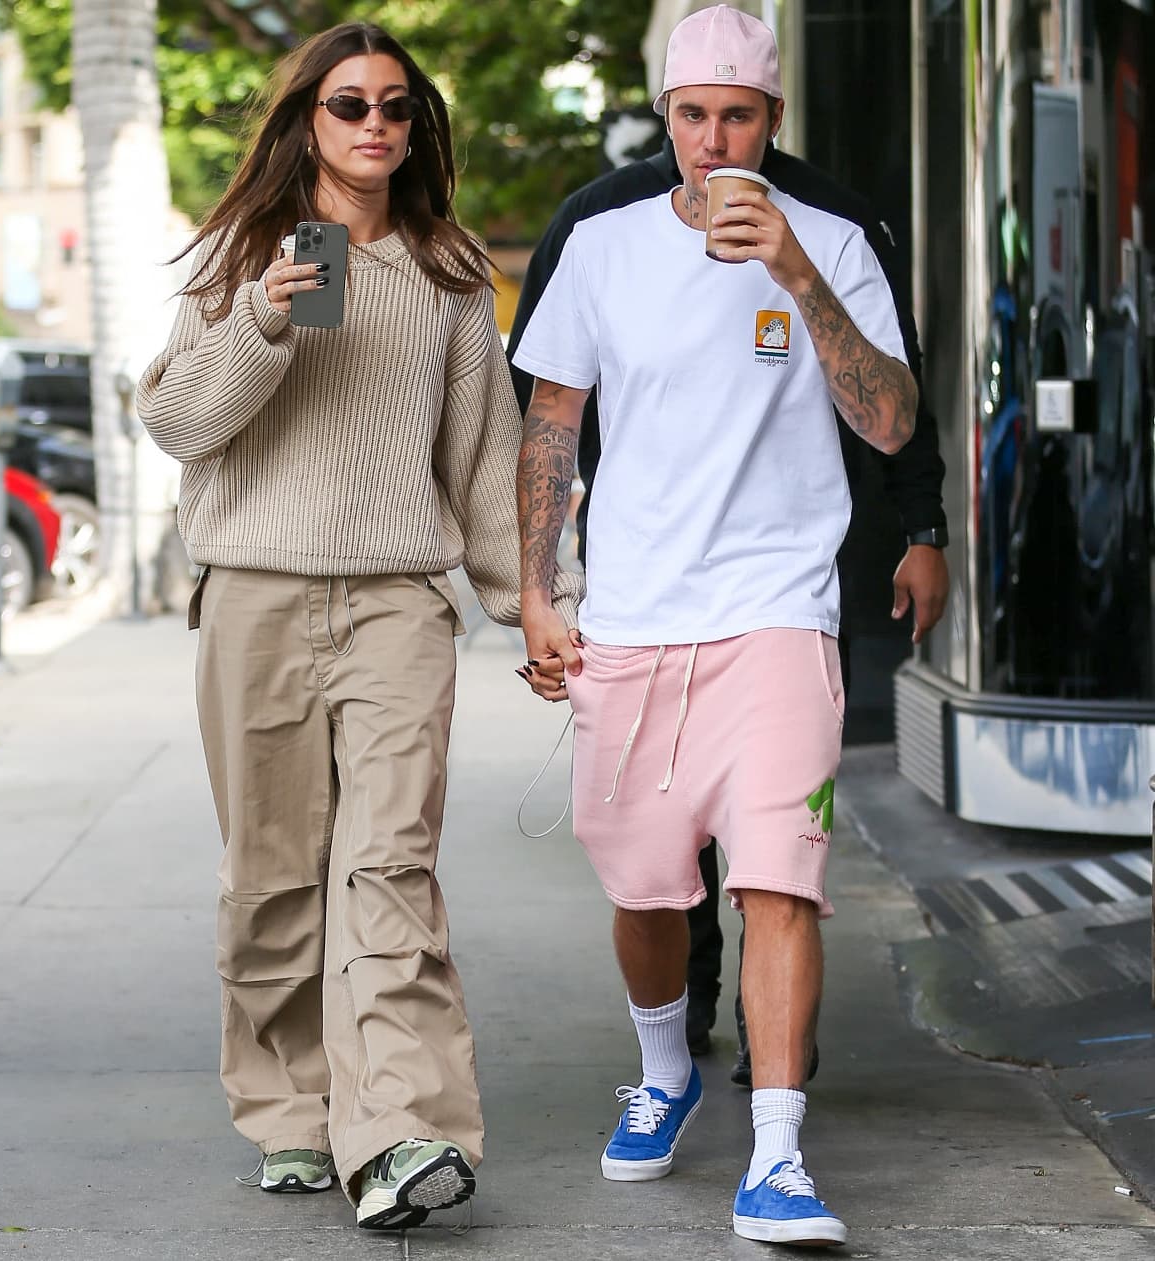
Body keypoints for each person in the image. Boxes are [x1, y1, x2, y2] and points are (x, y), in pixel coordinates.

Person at [136, 21, 582, 1231]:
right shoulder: (239, 255)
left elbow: (487, 468)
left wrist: (536, 602)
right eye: (349, 105)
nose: (374, 124)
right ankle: (291, 1110)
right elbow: (178, 424)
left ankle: (399, 1131)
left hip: (395, 604)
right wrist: (264, 321)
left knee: (390, 865)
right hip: (255, 598)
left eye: (394, 106)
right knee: (273, 877)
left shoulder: (446, 273)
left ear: (415, 127)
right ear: (307, 123)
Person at [513, 6, 918, 1246]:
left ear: (771, 120)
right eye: (693, 115)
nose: (712, 140)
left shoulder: (838, 240)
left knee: (779, 880)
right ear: (669, 114)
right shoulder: (601, 238)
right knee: (641, 881)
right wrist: (540, 585)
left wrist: (795, 272)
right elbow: (551, 426)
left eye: (736, 116)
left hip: (778, 613)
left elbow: (894, 421)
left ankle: (780, 1153)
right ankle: (667, 1069)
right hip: (634, 612)